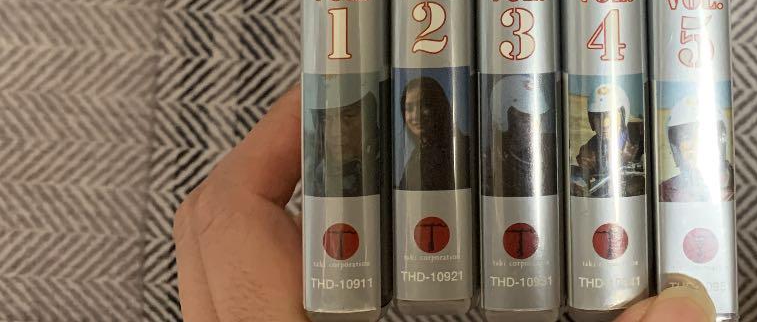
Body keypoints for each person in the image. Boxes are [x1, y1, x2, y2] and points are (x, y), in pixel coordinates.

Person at [174, 85, 717, 321]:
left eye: (427, 105)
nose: (418, 117)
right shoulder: (568, 155)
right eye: (409, 109)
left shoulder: (613, 159)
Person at [303, 73, 379, 197]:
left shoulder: (389, 170)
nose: (335, 132)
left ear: (370, 118)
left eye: (348, 116)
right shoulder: (315, 173)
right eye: (326, 119)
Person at [484, 74, 556, 196]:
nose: (536, 125)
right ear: (503, 118)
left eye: (540, 116)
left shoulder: (552, 149)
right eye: (526, 117)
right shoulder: (489, 167)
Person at [572, 82, 646, 197]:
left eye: (610, 115)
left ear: (623, 115)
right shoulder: (588, 152)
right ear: (591, 120)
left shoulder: (643, 137)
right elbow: (584, 181)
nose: (604, 124)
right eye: (598, 117)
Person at [398, 74, 471, 190]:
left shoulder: (462, 148)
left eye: (424, 105)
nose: (416, 115)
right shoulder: (416, 155)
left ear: (439, 107)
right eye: (410, 108)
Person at [659, 95, 735, 203]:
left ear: (720, 140)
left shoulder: (737, 187)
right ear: (677, 146)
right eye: (686, 137)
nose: (696, 143)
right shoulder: (665, 192)